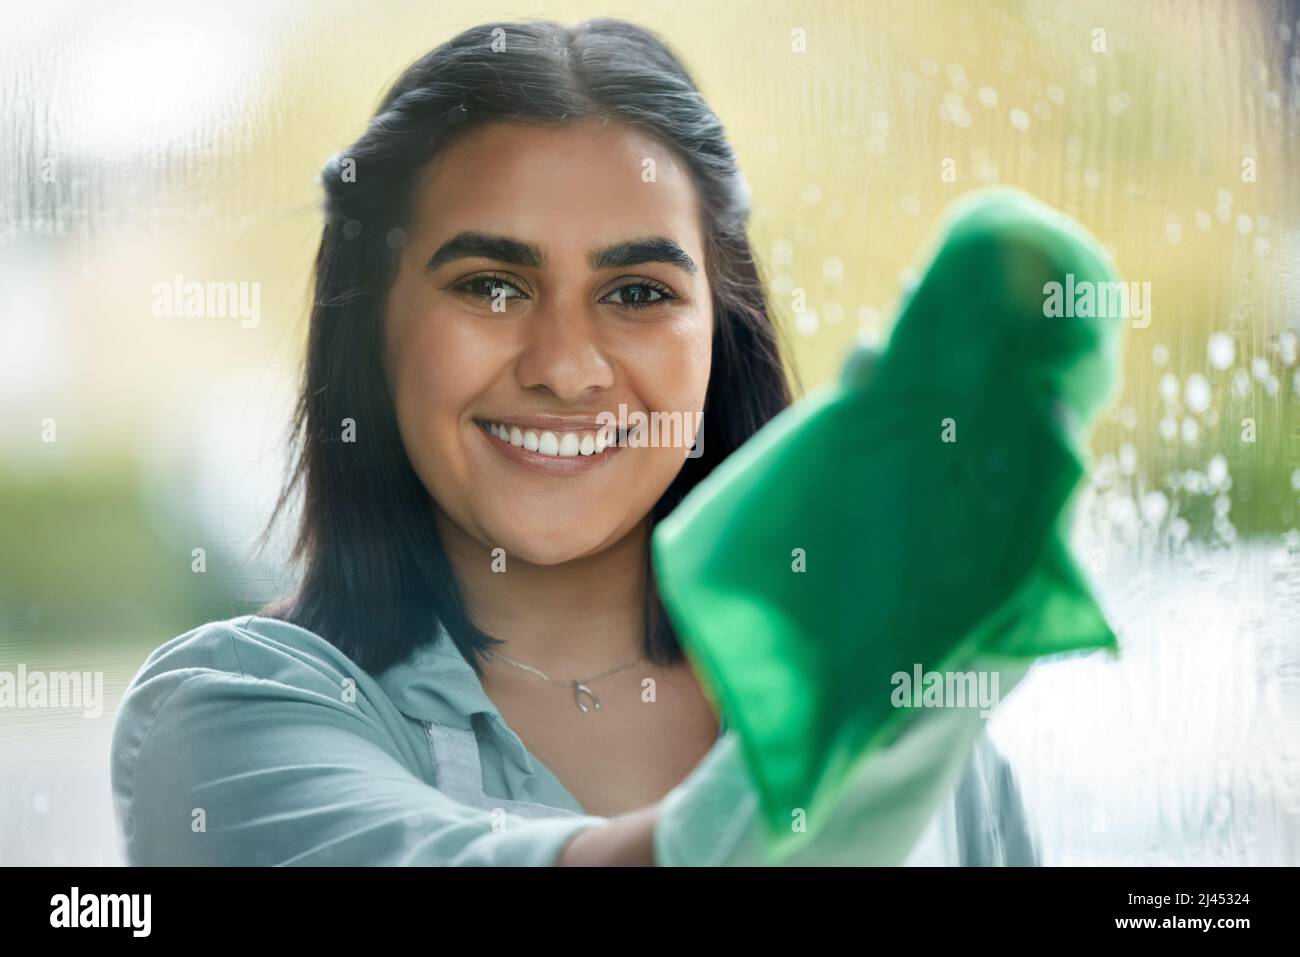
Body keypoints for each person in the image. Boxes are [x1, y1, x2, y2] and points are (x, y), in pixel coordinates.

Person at [110, 17, 1040, 866]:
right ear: (371, 331)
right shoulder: (228, 718)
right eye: (489, 285)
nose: (565, 366)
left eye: (638, 292)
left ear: (721, 339)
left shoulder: (918, 728)